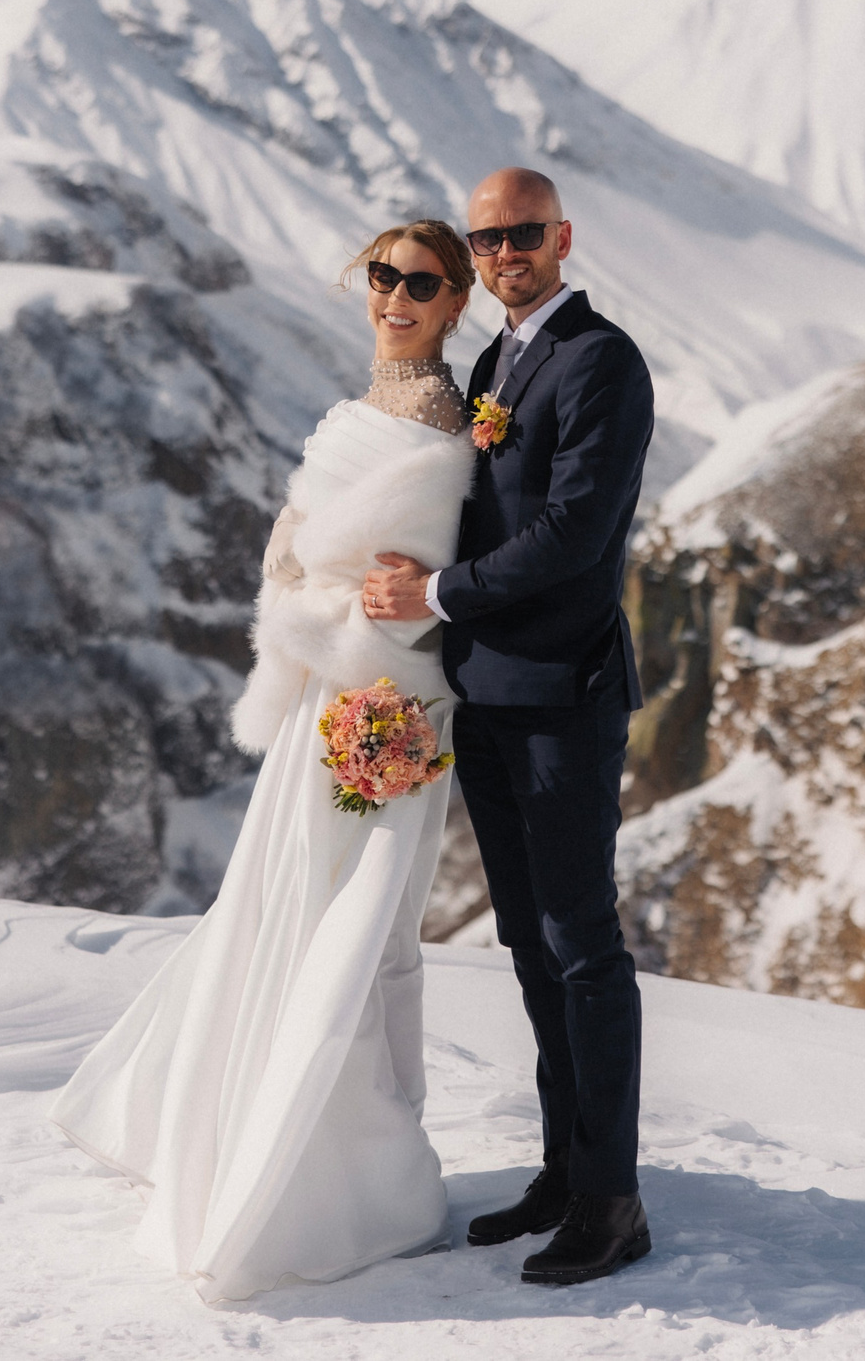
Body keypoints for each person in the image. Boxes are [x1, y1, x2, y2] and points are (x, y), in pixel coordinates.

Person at [51, 220, 478, 1302]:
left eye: (420, 283)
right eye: (381, 275)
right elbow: (309, 554)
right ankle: (298, 1158)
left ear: (454, 301)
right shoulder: (382, 399)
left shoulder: (437, 419)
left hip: (378, 702)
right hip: (330, 698)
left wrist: (307, 600)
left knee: (347, 919)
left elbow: (392, 579)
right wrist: (301, 589)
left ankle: (324, 1175)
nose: (395, 295)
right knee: (312, 910)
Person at [361, 166, 656, 1288]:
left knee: (584, 950)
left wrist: (433, 597)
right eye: (486, 241)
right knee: (528, 944)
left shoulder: (601, 360)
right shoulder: (495, 363)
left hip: (562, 697)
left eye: (522, 234)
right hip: (487, 694)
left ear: (562, 236)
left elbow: (576, 533)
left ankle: (613, 1201)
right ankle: (561, 1172)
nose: (502, 253)